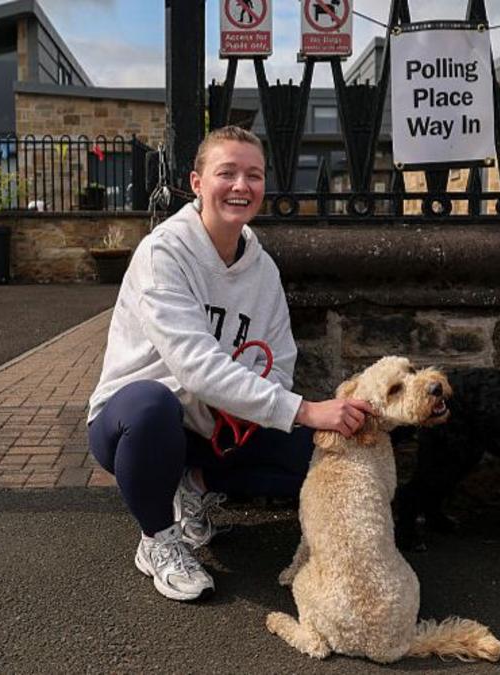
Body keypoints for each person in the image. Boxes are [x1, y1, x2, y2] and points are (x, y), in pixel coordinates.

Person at [86, 126, 375, 602]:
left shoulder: (262, 269)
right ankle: (158, 539)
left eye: (254, 175)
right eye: (227, 173)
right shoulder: (163, 253)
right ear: (197, 183)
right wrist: (305, 410)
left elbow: (280, 362)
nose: (241, 186)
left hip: (216, 427)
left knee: (320, 455)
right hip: (135, 425)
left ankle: (194, 485)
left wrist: (256, 412)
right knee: (152, 405)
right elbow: (194, 368)